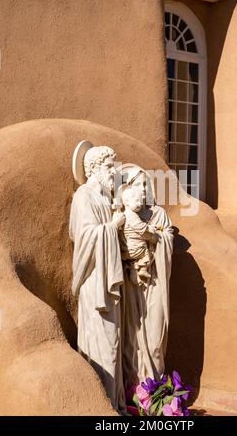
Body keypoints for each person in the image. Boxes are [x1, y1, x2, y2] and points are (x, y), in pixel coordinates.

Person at [69, 144, 126, 412]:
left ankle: (113, 402)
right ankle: (101, 404)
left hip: (109, 277)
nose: (112, 171)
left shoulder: (106, 198)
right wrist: (113, 227)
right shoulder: (84, 196)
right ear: (93, 168)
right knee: (102, 340)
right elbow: (85, 236)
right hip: (95, 281)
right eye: (108, 166)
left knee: (113, 341)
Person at [118, 167, 174, 389]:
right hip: (131, 286)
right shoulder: (121, 216)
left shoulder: (158, 214)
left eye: (145, 184)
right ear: (127, 189)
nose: (144, 189)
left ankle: (155, 390)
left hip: (155, 281)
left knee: (154, 340)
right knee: (132, 341)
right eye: (139, 184)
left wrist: (156, 235)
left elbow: (167, 237)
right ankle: (135, 392)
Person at [120, 185, 158, 285]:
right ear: (127, 202)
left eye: (141, 201)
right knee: (149, 252)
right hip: (136, 248)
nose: (140, 204)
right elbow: (139, 227)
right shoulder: (131, 215)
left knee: (135, 260)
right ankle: (143, 269)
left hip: (129, 248)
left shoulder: (129, 214)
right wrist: (150, 229)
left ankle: (134, 271)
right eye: (137, 201)